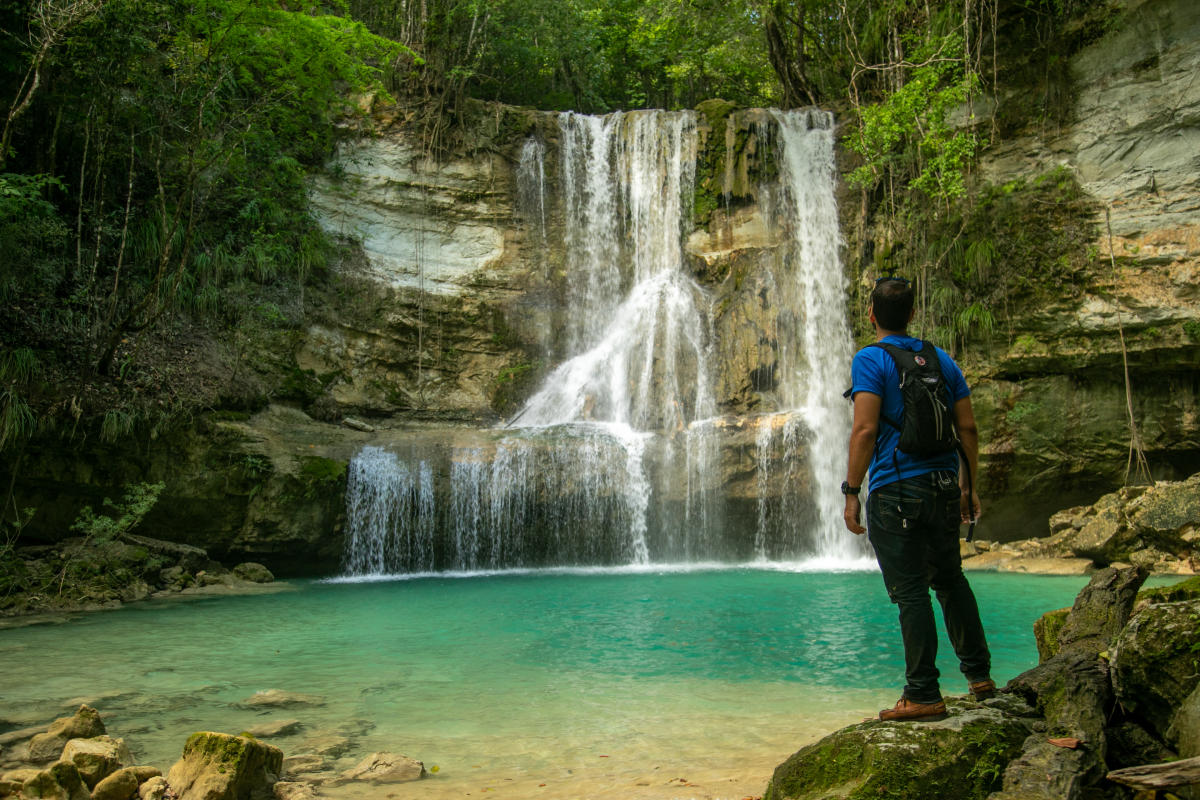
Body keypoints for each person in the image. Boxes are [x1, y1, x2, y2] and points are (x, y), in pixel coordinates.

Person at [841, 276, 994, 722]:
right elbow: (967, 428)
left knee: (910, 591)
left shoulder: (870, 359)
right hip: (945, 485)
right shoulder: (942, 360)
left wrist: (852, 492)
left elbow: (865, 428)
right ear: (911, 315)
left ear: (872, 314)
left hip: (896, 489)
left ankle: (923, 692)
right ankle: (980, 677)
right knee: (950, 580)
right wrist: (968, 486)